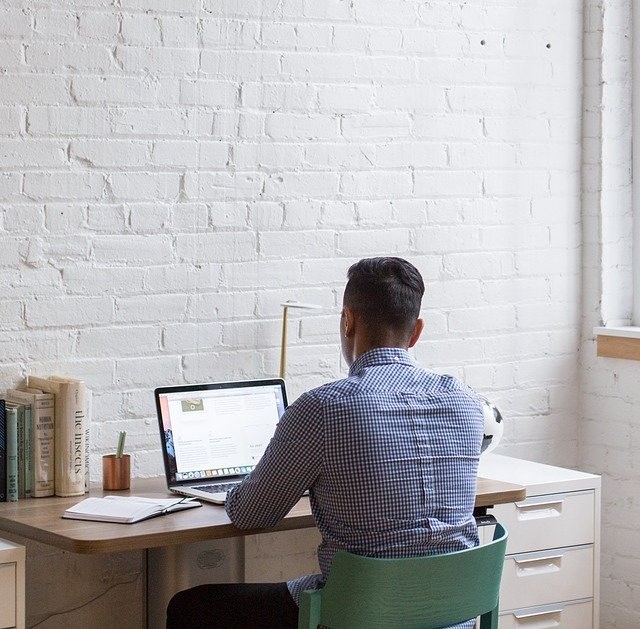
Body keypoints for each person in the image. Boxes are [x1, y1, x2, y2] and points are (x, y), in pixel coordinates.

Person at [167, 257, 484, 629]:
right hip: (454, 615)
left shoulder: (324, 407)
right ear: (416, 332)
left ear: (347, 321)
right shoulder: (466, 401)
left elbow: (252, 514)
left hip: (358, 616)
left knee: (191, 607)